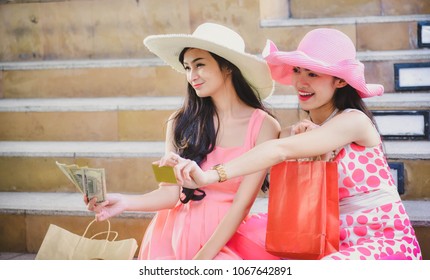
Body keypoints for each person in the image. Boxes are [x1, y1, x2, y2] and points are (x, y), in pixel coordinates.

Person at [163, 28, 422, 260]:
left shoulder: (353, 122)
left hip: (379, 241)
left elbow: (275, 153)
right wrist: (130, 200)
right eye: (297, 70)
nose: (300, 82)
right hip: (320, 237)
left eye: (312, 74)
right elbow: (166, 188)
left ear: (340, 81)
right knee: (235, 244)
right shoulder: (179, 121)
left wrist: (209, 176)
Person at [85, 23, 281, 260]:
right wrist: (125, 201)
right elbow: (168, 193)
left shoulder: (265, 126)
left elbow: (242, 204)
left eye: (200, 65)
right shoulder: (177, 122)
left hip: (226, 238)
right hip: (171, 235)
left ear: (227, 66)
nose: (192, 76)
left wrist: (200, 260)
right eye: (187, 67)